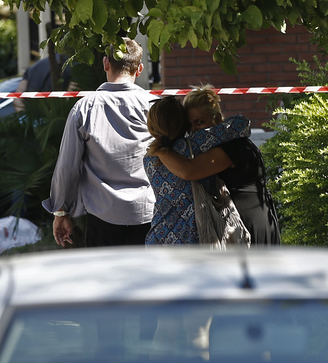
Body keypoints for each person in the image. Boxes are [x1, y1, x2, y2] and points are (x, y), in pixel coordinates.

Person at [43, 38, 156, 248]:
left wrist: (61, 211)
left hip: (102, 215)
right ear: (139, 69)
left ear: (105, 63)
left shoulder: (85, 108)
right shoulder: (155, 107)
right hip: (149, 213)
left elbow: (67, 166)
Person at [153, 87, 281, 245]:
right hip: (240, 223)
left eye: (199, 122)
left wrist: (159, 149)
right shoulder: (226, 141)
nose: (193, 130)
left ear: (218, 118)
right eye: (188, 125)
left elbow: (188, 171)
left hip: (248, 224)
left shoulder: (231, 146)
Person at [143, 97, 250, 245]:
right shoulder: (197, 145)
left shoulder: (149, 158)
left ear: (152, 125)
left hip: (158, 235)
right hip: (195, 235)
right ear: (183, 122)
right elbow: (241, 123)